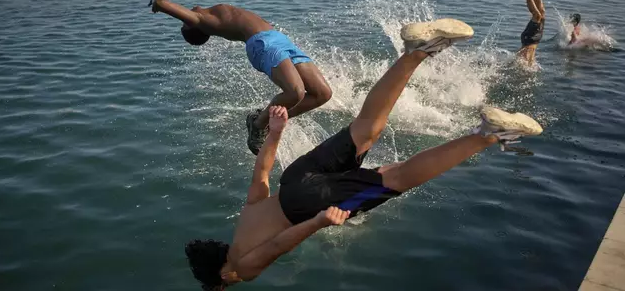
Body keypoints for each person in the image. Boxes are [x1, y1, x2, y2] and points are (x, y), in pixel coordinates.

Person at [184, 19, 543, 290]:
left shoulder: (242, 269)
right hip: (294, 179)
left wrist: (319, 222)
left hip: (308, 204)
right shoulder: (244, 222)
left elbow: (278, 243)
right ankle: (418, 50)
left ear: (220, 277)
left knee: (397, 177)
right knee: (367, 126)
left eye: (221, 287)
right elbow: (260, 175)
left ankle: (487, 134)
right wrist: (275, 133)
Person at [148, 0, 332, 155]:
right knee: (295, 93)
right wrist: (159, 1)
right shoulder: (203, 21)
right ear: (193, 27)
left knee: (323, 94)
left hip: (279, 39)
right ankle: (258, 125)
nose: (186, 15)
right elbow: (162, 5)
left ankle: (268, 117)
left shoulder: (210, 13)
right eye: (185, 22)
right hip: (263, 44)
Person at [517, 0, 545, 66]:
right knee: (542, 12)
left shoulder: (522, 59)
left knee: (537, 15)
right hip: (534, 39)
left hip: (529, 39)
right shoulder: (527, 60)